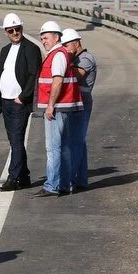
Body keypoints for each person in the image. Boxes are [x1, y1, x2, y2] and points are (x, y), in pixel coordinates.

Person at [0, 13, 43, 191]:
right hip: (6, 102)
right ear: (5, 32)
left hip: (19, 103)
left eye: (17, 29)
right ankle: (24, 176)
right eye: (11, 30)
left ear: (22, 28)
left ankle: (13, 178)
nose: (15, 32)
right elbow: (0, 75)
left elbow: (33, 75)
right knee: (14, 141)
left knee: (17, 139)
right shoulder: (5, 50)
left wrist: (23, 97)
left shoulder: (31, 49)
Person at [34, 21, 83, 197]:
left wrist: (50, 105)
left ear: (56, 37)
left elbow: (57, 81)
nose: (43, 41)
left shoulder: (58, 55)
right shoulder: (59, 54)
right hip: (63, 106)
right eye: (42, 38)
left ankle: (52, 185)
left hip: (58, 107)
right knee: (63, 147)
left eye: (45, 37)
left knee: (53, 148)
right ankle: (65, 184)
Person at [62, 28, 97, 192]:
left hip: (83, 104)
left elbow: (76, 75)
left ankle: (71, 178)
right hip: (75, 103)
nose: (65, 48)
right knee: (78, 142)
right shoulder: (76, 58)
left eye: (67, 45)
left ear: (76, 43)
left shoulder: (86, 58)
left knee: (75, 142)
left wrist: (65, 62)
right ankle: (81, 180)